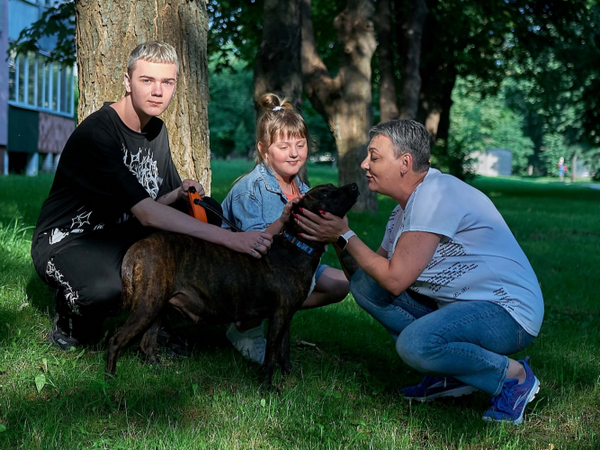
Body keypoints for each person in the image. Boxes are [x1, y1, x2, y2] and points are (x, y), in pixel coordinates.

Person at [294, 119, 544, 424]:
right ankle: (455, 374)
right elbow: (371, 276)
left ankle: (514, 378)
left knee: (414, 345)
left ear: (405, 163)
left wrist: (345, 236)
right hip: (466, 308)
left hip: (509, 313)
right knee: (363, 287)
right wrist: (334, 236)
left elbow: (395, 280)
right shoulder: (402, 211)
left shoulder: (436, 195)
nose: (364, 164)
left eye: (374, 156)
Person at [31, 41, 272, 350]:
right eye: (147, 80)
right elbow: (147, 213)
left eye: (167, 82)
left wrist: (179, 194)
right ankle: (69, 319)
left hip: (122, 232)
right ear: (127, 81)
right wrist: (232, 239)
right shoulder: (98, 134)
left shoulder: (156, 130)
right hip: (70, 240)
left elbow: (154, 205)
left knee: (206, 210)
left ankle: (159, 323)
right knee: (103, 291)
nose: (158, 91)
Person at [220, 93, 350, 364]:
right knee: (273, 280)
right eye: (283, 147)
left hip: (290, 269)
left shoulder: (301, 188)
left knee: (342, 284)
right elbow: (254, 251)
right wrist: (283, 220)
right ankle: (245, 328)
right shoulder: (250, 190)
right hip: (248, 275)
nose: (294, 153)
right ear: (263, 149)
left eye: (300, 145)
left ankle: (280, 309)